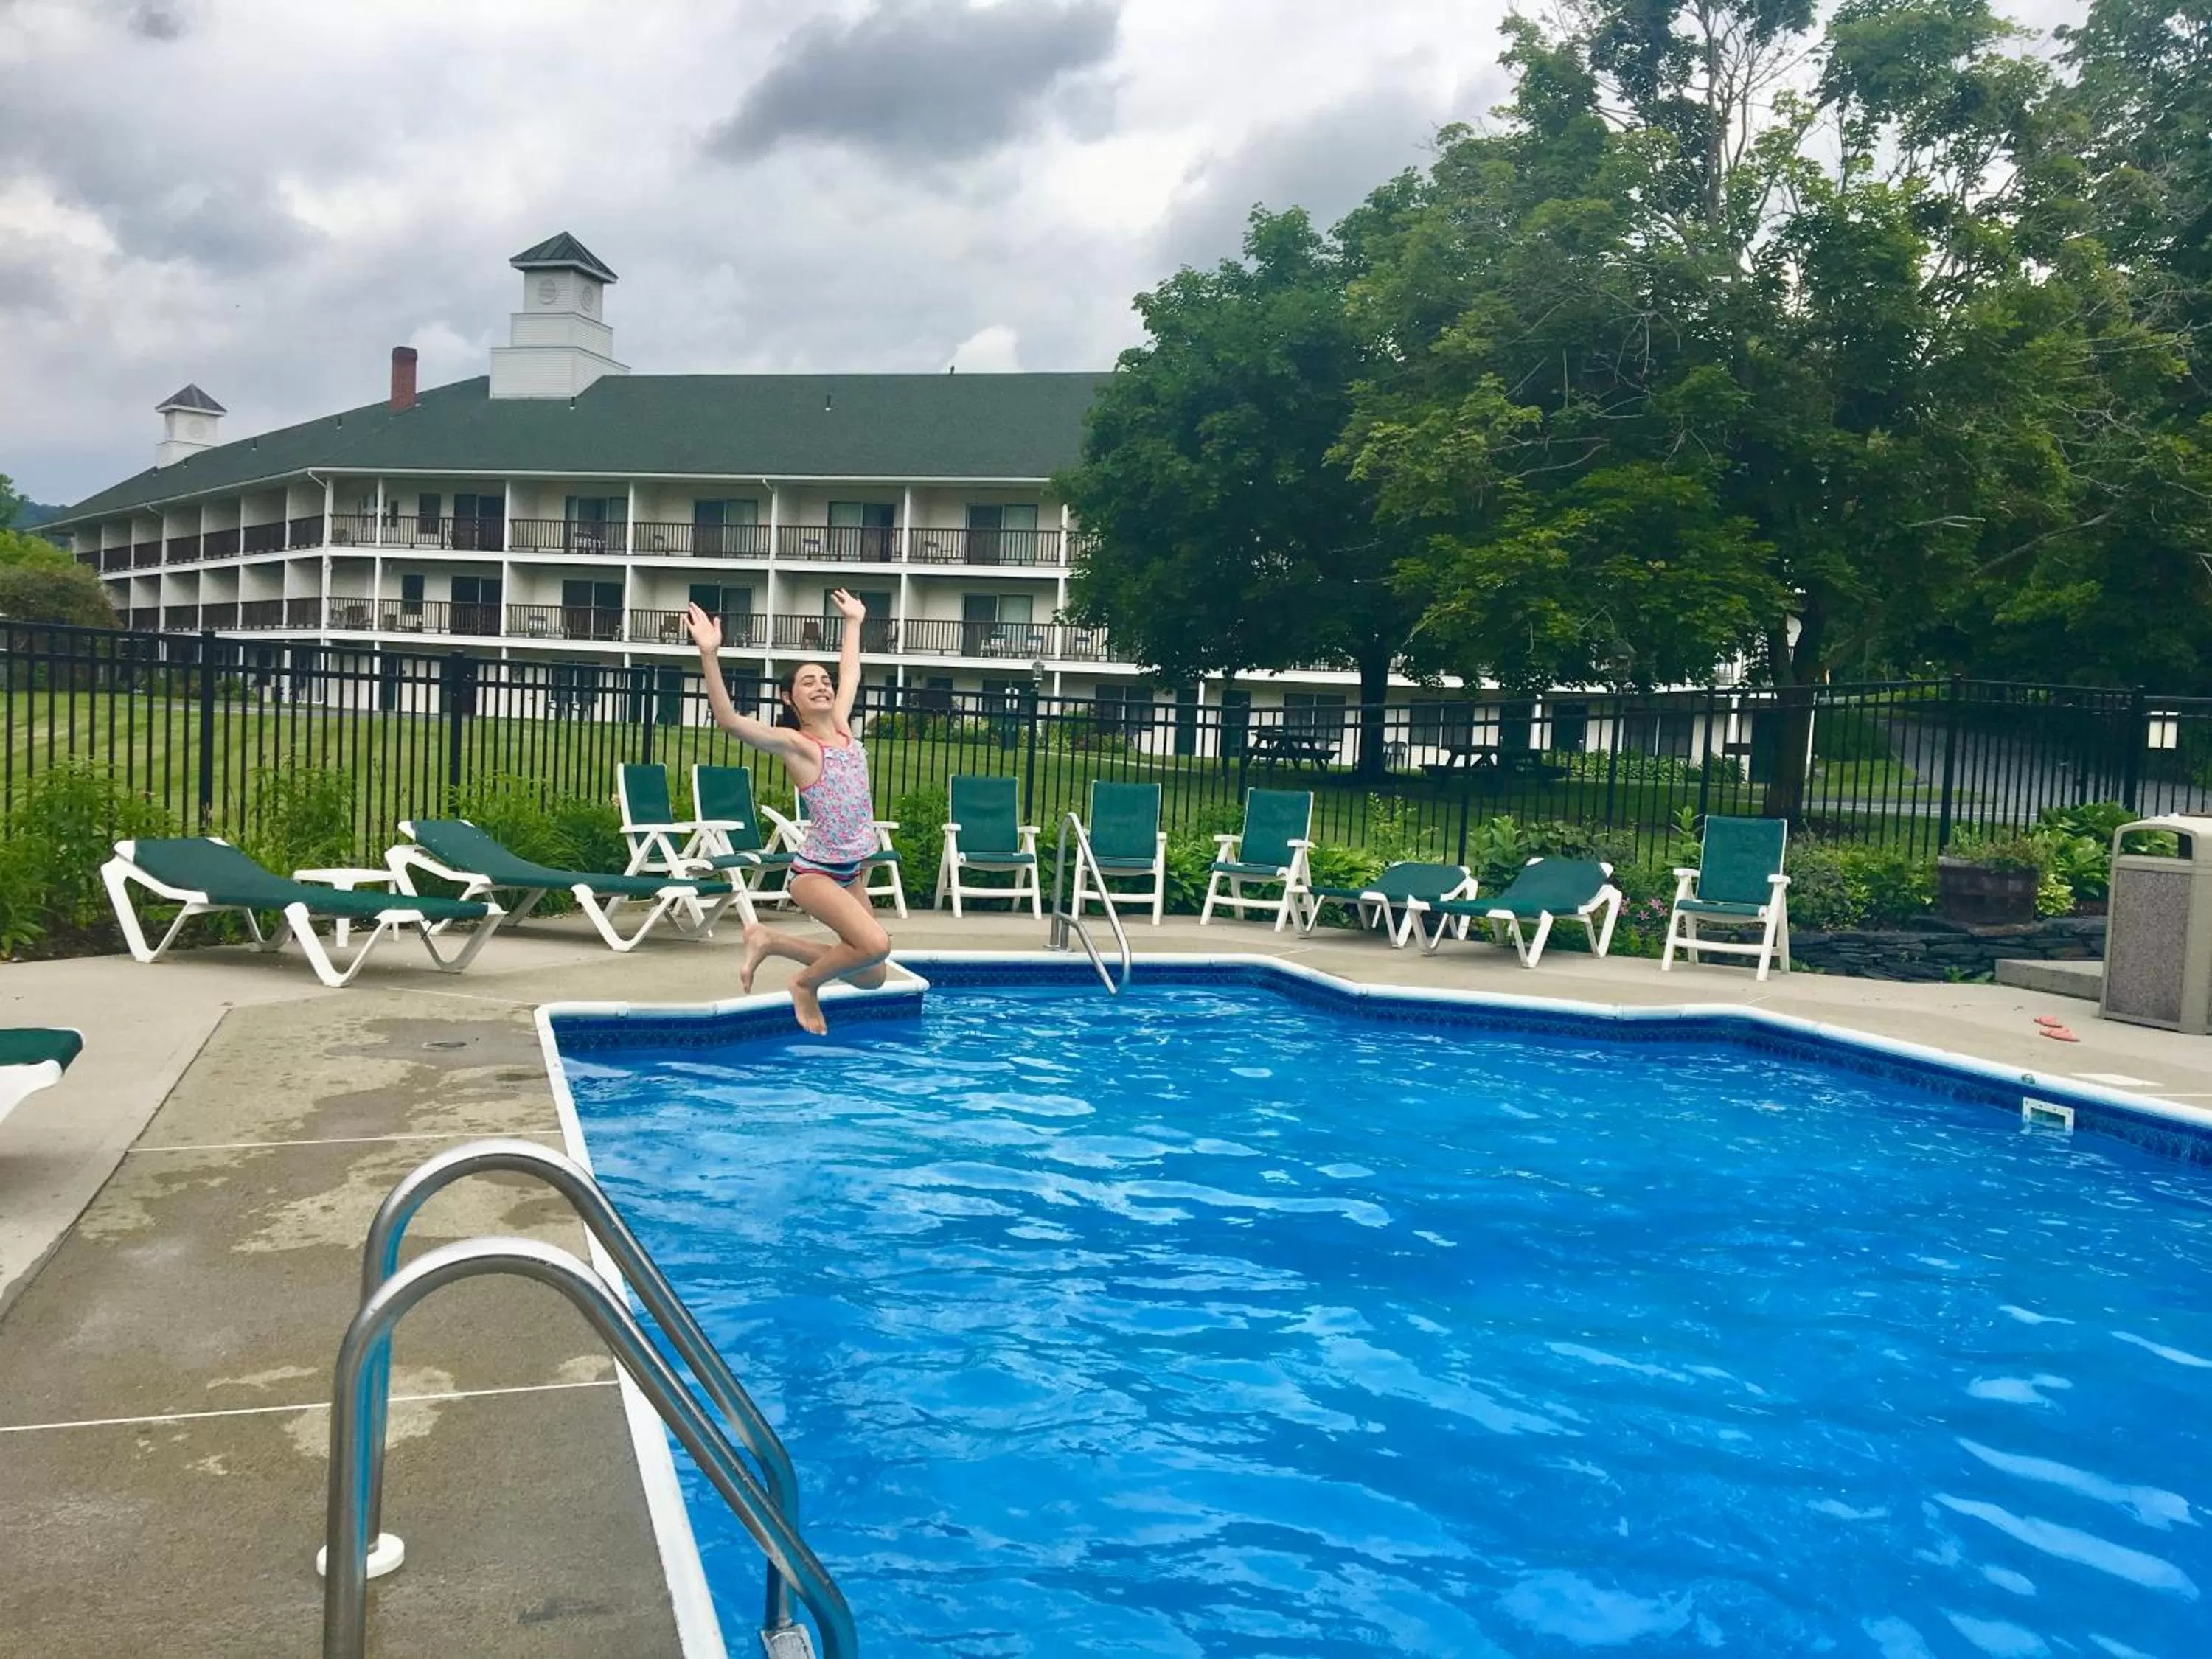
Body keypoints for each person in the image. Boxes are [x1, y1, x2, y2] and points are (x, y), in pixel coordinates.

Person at [686, 589, 891, 1033]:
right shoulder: (798, 745)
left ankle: (770, 939)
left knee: (872, 974)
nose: (821, 686)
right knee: (876, 943)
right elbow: (730, 722)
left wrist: (853, 623)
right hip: (815, 874)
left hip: (850, 870)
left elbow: (850, 670)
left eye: (823, 680)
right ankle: (803, 984)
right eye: (807, 683)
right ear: (788, 699)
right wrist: (709, 654)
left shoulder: (842, 727)